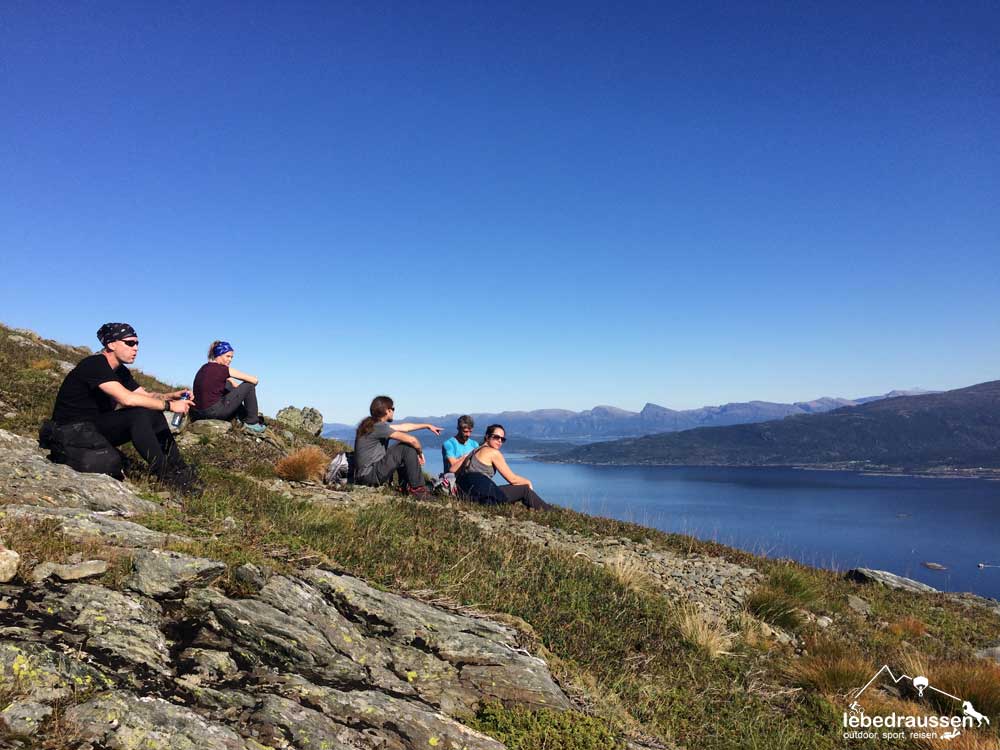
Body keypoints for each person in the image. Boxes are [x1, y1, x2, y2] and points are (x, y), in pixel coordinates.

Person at [49, 322, 198, 489]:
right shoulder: (95, 364)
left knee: (152, 412)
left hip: (93, 428)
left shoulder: (120, 371)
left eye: (137, 344)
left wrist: (171, 396)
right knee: (138, 415)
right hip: (70, 430)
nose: (136, 348)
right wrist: (169, 406)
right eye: (130, 343)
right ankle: (165, 475)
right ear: (111, 344)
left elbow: (146, 397)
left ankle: (179, 469)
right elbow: (127, 399)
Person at [353, 396, 442, 496]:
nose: (393, 411)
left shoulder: (372, 425)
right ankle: (418, 490)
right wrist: (420, 453)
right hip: (369, 476)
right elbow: (412, 440)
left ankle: (404, 486)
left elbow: (404, 427)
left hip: (364, 475)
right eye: (393, 409)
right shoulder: (379, 427)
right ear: (387, 410)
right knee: (405, 448)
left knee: (401, 450)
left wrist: (427, 426)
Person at [455, 424, 552, 510]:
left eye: (502, 439)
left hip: (467, 494)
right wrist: (528, 482)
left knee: (504, 490)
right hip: (484, 497)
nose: (500, 441)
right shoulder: (493, 452)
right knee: (525, 490)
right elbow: (512, 479)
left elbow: (455, 470)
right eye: (496, 437)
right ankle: (549, 511)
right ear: (487, 437)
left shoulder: (475, 450)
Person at [191, 341, 265, 434]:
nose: (230, 360)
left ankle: (241, 416)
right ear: (219, 354)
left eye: (231, 357)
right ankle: (252, 423)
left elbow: (220, 381)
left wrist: (231, 382)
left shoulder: (204, 367)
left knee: (227, 384)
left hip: (197, 413)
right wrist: (241, 389)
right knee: (249, 385)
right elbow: (254, 380)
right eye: (227, 356)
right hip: (213, 412)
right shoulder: (224, 369)